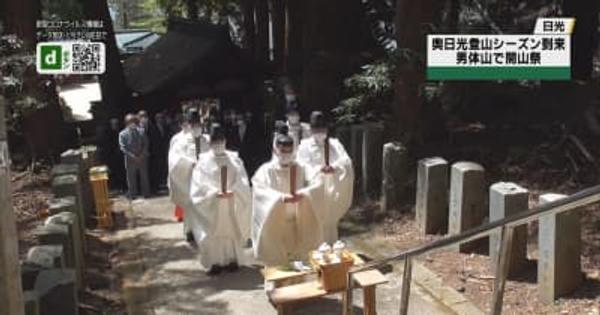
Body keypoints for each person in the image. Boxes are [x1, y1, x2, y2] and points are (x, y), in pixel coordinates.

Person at [188, 123, 251, 275]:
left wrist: (233, 191)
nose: (218, 145)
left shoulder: (235, 160)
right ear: (210, 144)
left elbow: (242, 180)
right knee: (212, 232)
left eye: (221, 141)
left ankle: (232, 259)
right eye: (215, 142)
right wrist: (213, 193)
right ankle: (214, 262)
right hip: (213, 203)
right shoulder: (203, 162)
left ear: (225, 141)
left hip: (230, 202)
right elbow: (198, 183)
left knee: (230, 231)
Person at [251, 134, 325, 266]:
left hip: (298, 221)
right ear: (275, 150)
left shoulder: (302, 167)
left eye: (289, 151)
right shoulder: (266, 170)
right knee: (278, 264)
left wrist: (304, 194)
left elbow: (318, 182)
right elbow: (259, 189)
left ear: (294, 151)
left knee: (300, 259)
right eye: (282, 151)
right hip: (276, 221)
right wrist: (280, 198)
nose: (286, 154)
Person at [297, 111, 354, 243]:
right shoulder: (304, 146)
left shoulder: (335, 144)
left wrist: (335, 167)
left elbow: (346, 161)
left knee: (329, 221)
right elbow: (302, 164)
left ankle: (331, 245)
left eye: (322, 129)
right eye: (317, 129)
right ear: (311, 130)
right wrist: (318, 170)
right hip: (314, 189)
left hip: (332, 189)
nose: (320, 132)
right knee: (314, 221)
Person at [168, 107, 209, 240]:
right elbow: (175, 159)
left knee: (205, 202)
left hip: (205, 177)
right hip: (189, 176)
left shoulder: (207, 139)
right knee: (190, 203)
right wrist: (190, 163)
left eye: (198, 124)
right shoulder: (180, 141)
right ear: (189, 124)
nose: (196, 127)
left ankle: (205, 228)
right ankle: (190, 230)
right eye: (193, 124)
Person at [119, 114, 151, 199]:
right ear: (127, 123)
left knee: (144, 177)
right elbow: (122, 147)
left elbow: (146, 144)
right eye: (130, 122)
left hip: (142, 158)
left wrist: (142, 154)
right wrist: (132, 156)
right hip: (130, 160)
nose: (132, 124)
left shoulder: (142, 131)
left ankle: (146, 193)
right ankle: (133, 194)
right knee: (131, 178)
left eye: (133, 122)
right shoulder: (122, 134)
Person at [148, 112, 171, 193]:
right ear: (156, 119)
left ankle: (165, 184)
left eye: (162, 118)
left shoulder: (166, 127)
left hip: (164, 150)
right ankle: (156, 186)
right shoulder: (152, 128)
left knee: (165, 168)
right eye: (159, 118)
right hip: (156, 152)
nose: (160, 119)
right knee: (156, 169)